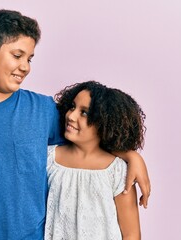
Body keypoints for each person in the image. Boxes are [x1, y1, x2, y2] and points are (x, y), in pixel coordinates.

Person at [0, 10, 150, 240]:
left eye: (29, 58)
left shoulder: (44, 109)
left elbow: (87, 140)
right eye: (17, 55)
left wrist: (130, 156)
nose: (25, 67)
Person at [45, 81, 145, 239]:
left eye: (84, 113)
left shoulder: (117, 170)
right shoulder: (49, 159)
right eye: (72, 107)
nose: (71, 116)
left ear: (105, 124)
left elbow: (131, 234)